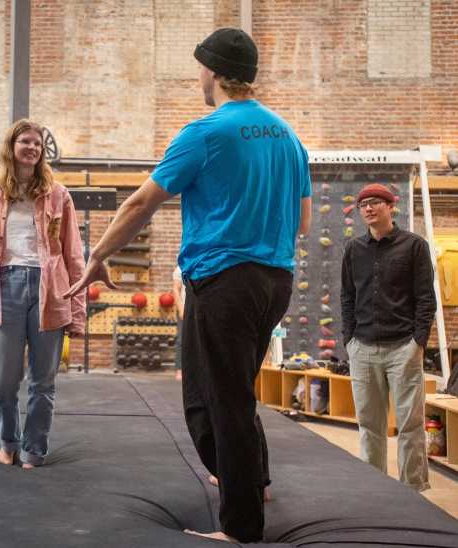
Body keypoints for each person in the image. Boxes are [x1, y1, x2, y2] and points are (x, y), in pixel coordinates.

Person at [65, 28, 311, 543]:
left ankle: (241, 527)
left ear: (214, 72)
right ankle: (252, 481)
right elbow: (303, 222)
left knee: (218, 401)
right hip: (275, 280)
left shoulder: (206, 132)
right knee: (226, 392)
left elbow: (139, 203)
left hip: (225, 280)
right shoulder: (287, 135)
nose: (198, 78)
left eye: (200, 68)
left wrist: (98, 256)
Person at [0, 119, 85, 469]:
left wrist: (77, 311)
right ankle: (8, 443)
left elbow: (74, 255)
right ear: (11, 147)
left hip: (50, 291)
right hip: (7, 288)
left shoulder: (58, 195)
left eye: (38, 143)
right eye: (25, 141)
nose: (32, 147)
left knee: (43, 382)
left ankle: (33, 450)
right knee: (0, 381)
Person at [341, 183, 436, 492]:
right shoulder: (353, 249)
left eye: (375, 202)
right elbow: (347, 296)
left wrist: (418, 341)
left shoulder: (414, 246)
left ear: (390, 206)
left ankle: (413, 491)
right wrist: (349, 340)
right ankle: (376, 490)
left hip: (403, 349)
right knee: (369, 426)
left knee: (410, 426)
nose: (368, 208)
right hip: (363, 349)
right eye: (363, 204)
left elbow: (425, 298)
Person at [172, 265, 184, 382]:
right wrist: (181, 309)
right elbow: (176, 289)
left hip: (199, 310)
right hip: (185, 309)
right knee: (182, 340)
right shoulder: (180, 269)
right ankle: (179, 369)